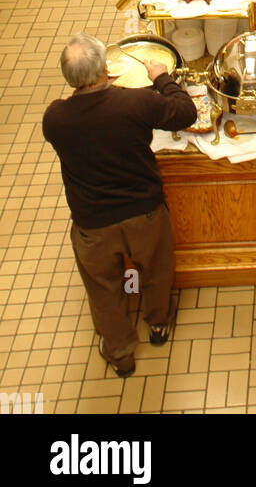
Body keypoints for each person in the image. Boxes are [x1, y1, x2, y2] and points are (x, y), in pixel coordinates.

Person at [42, 33, 197, 378]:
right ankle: (158, 324)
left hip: (92, 225)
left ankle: (120, 354)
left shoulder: (54, 118)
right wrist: (161, 78)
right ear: (106, 70)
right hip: (144, 212)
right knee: (155, 270)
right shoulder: (134, 105)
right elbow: (185, 112)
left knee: (104, 289)